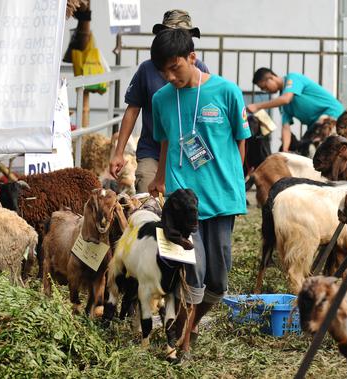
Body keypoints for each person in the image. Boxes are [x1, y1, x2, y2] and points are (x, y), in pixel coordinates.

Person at [148, 28, 251, 353]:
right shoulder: (161, 99)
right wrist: (160, 178)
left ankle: (185, 324)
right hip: (182, 200)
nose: (169, 76)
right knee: (195, 271)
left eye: (174, 67)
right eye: (162, 71)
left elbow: (240, 141)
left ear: (192, 58)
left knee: (219, 281)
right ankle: (185, 340)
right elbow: (165, 140)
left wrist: (233, 183)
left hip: (221, 198)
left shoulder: (227, 92)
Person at [108, 10, 209, 193]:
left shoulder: (199, 69)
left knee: (189, 206)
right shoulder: (147, 69)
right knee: (149, 201)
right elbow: (132, 109)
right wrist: (119, 152)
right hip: (153, 151)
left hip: (189, 150)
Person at [247, 68, 345, 153]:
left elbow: (286, 99)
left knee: (317, 150)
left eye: (264, 87)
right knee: (304, 149)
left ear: (272, 77)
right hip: (316, 126)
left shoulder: (292, 78)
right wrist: (285, 150)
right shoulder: (283, 104)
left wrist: (257, 106)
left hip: (332, 114)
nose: (265, 90)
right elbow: (286, 128)